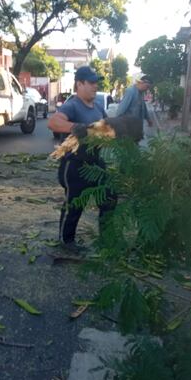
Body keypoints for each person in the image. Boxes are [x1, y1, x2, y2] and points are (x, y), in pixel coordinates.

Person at [47, 65, 116, 252]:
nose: (95, 86)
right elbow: (53, 123)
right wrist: (75, 127)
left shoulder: (99, 108)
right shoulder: (73, 105)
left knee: (109, 197)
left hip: (95, 163)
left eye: (96, 83)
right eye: (91, 83)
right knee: (75, 205)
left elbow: (108, 128)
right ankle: (66, 241)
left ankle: (106, 239)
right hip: (74, 165)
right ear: (80, 83)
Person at [116, 75, 153, 140]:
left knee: (135, 148)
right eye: (147, 86)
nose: (147, 89)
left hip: (136, 129)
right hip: (128, 129)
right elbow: (120, 111)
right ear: (142, 82)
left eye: (149, 88)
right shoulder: (130, 92)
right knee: (128, 148)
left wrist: (148, 119)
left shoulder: (141, 93)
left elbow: (143, 107)